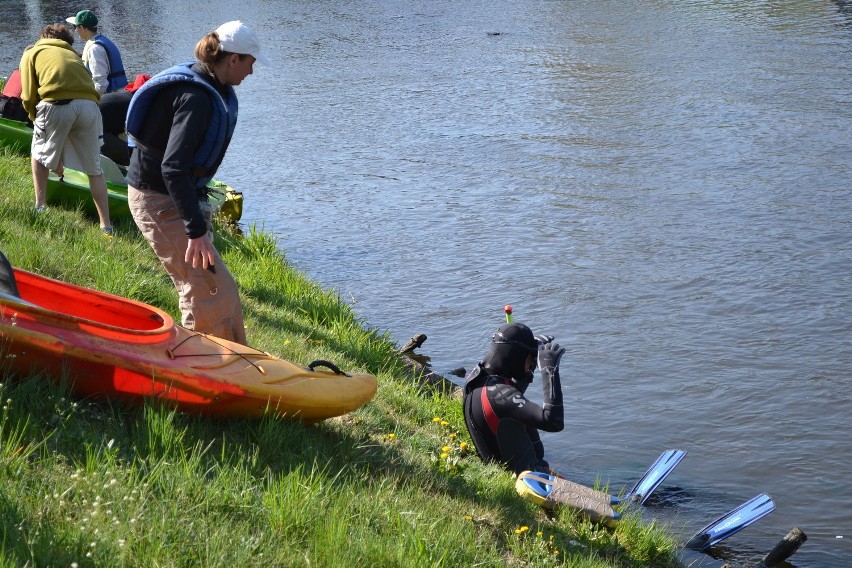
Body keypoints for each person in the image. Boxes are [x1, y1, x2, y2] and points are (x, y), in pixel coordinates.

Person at [125, 21, 270, 344]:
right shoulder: (195, 97)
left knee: (217, 287)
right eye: (251, 62)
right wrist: (196, 231)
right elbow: (173, 168)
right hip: (158, 200)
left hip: (173, 196)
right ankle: (206, 366)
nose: (252, 72)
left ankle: (230, 359)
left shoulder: (212, 87)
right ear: (233, 59)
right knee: (205, 289)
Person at [19, 23, 113, 234]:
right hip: (90, 106)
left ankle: (40, 206)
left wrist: (35, 119)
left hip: (56, 102)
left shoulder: (33, 51)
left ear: (43, 37)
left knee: (38, 151)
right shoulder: (74, 55)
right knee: (94, 169)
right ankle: (106, 225)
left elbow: (27, 95)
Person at [463, 322, 565, 474]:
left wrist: (528, 348)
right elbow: (553, 421)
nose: (532, 364)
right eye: (530, 359)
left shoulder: (477, 379)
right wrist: (549, 371)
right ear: (516, 355)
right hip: (528, 480)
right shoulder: (499, 394)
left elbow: (511, 394)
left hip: (499, 469)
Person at [65, 10, 127, 94]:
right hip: (119, 93)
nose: (75, 30)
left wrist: (92, 101)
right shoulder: (101, 40)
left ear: (82, 27)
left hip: (111, 98)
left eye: (75, 27)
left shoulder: (94, 48)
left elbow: (101, 84)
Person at [99, 73, 151, 166]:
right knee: (132, 156)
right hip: (94, 132)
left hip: (86, 125)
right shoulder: (138, 103)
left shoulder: (123, 96)